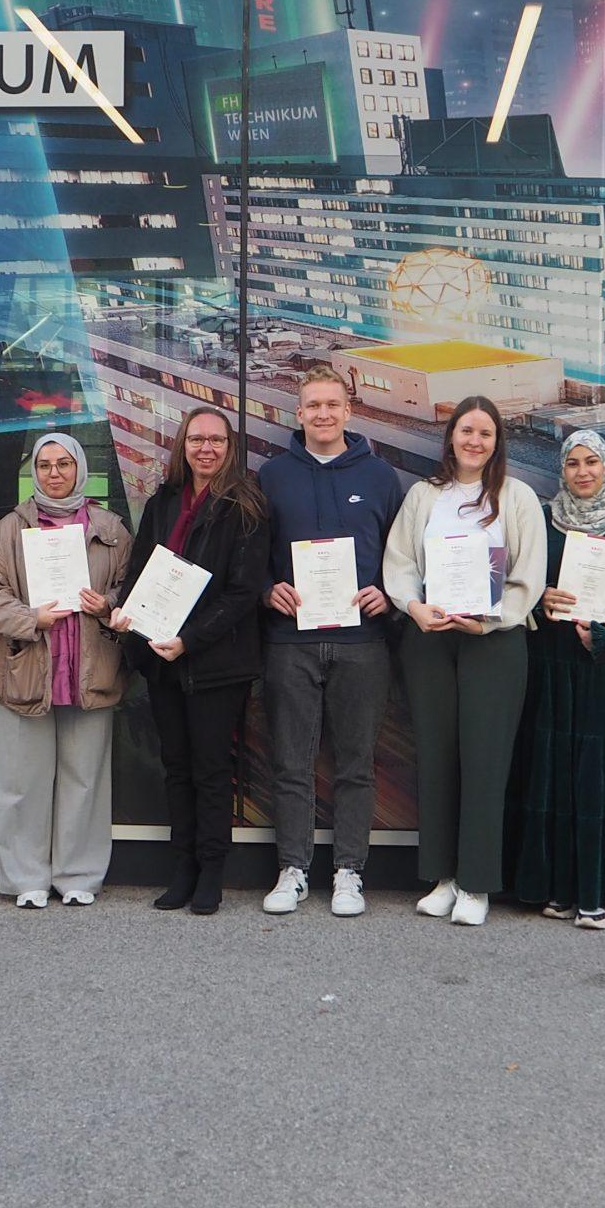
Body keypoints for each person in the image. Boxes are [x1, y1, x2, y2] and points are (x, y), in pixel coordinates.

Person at [383, 395, 545, 927]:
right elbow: (401, 562)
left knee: (485, 760)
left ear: (498, 443)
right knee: (436, 757)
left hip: (493, 643)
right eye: (466, 431)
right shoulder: (424, 496)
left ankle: (477, 884)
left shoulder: (517, 497)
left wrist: (490, 621)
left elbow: (527, 577)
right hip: (430, 639)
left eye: (486, 434)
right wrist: (413, 607)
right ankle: (444, 877)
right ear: (450, 436)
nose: (475, 441)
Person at [255, 365, 401, 917]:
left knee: (356, 762)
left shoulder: (382, 477)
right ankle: (292, 869)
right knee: (291, 761)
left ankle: (348, 872)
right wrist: (269, 591)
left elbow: (403, 556)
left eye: (332, 405)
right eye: (312, 405)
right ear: (298, 413)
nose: (322, 414)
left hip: (362, 640)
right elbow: (252, 557)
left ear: (349, 410)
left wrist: (387, 593)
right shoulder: (271, 476)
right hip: (289, 640)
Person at [116, 407, 270, 914]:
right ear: (183, 445)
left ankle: (211, 873)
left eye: (217, 441)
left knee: (209, 770)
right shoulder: (162, 501)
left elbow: (244, 593)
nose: (206, 449)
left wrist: (189, 640)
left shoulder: (245, 506)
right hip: (161, 660)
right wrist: (127, 616)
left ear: (230, 448)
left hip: (213, 662)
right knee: (176, 768)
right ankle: (181, 868)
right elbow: (140, 571)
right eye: (197, 440)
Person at [0, 434, 133, 907]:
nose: (54, 473)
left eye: (64, 464)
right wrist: (29, 619)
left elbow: (130, 587)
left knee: (85, 780)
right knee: (21, 782)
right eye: (44, 465)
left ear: (80, 468)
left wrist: (108, 605)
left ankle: (78, 876)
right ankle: (27, 880)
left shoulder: (111, 528)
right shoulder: (6, 530)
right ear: (33, 472)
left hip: (89, 668)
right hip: (25, 667)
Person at [507, 429, 605, 930]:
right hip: (552, 664)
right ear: (562, 470)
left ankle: (600, 891)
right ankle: (558, 886)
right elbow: (525, 584)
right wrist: (541, 597)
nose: (583, 472)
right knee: (555, 773)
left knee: (598, 777)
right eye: (573, 463)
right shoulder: (547, 520)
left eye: (592, 462)